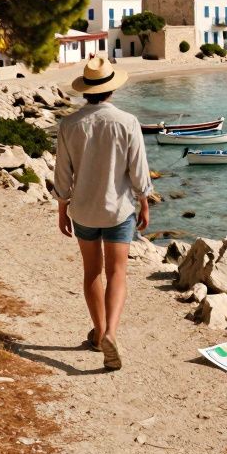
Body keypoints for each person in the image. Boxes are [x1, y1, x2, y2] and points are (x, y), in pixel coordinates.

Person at [53, 54, 153, 370]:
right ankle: (110, 332)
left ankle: (97, 336)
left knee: (92, 271)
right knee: (117, 273)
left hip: (82, 210)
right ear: (111, 90)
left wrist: (61, 207)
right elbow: (138, 170)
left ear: (86, 90)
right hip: (119, 211)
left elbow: (62, 172)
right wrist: (145, 201)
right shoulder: (127, 122)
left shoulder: (69, 124)